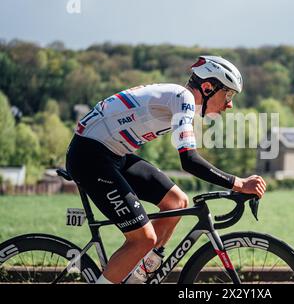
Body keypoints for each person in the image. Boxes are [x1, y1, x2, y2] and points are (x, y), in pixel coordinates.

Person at [65, 55, 267, 284]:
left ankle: (139, 276)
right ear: (208, 87)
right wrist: (239, 183)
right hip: (90, 156)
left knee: (177, 201)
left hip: (112, 154)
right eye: (228, 94)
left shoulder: (178, 97)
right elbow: (189, 160)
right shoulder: (184, 98)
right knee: (142, 239)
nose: (229, 104)